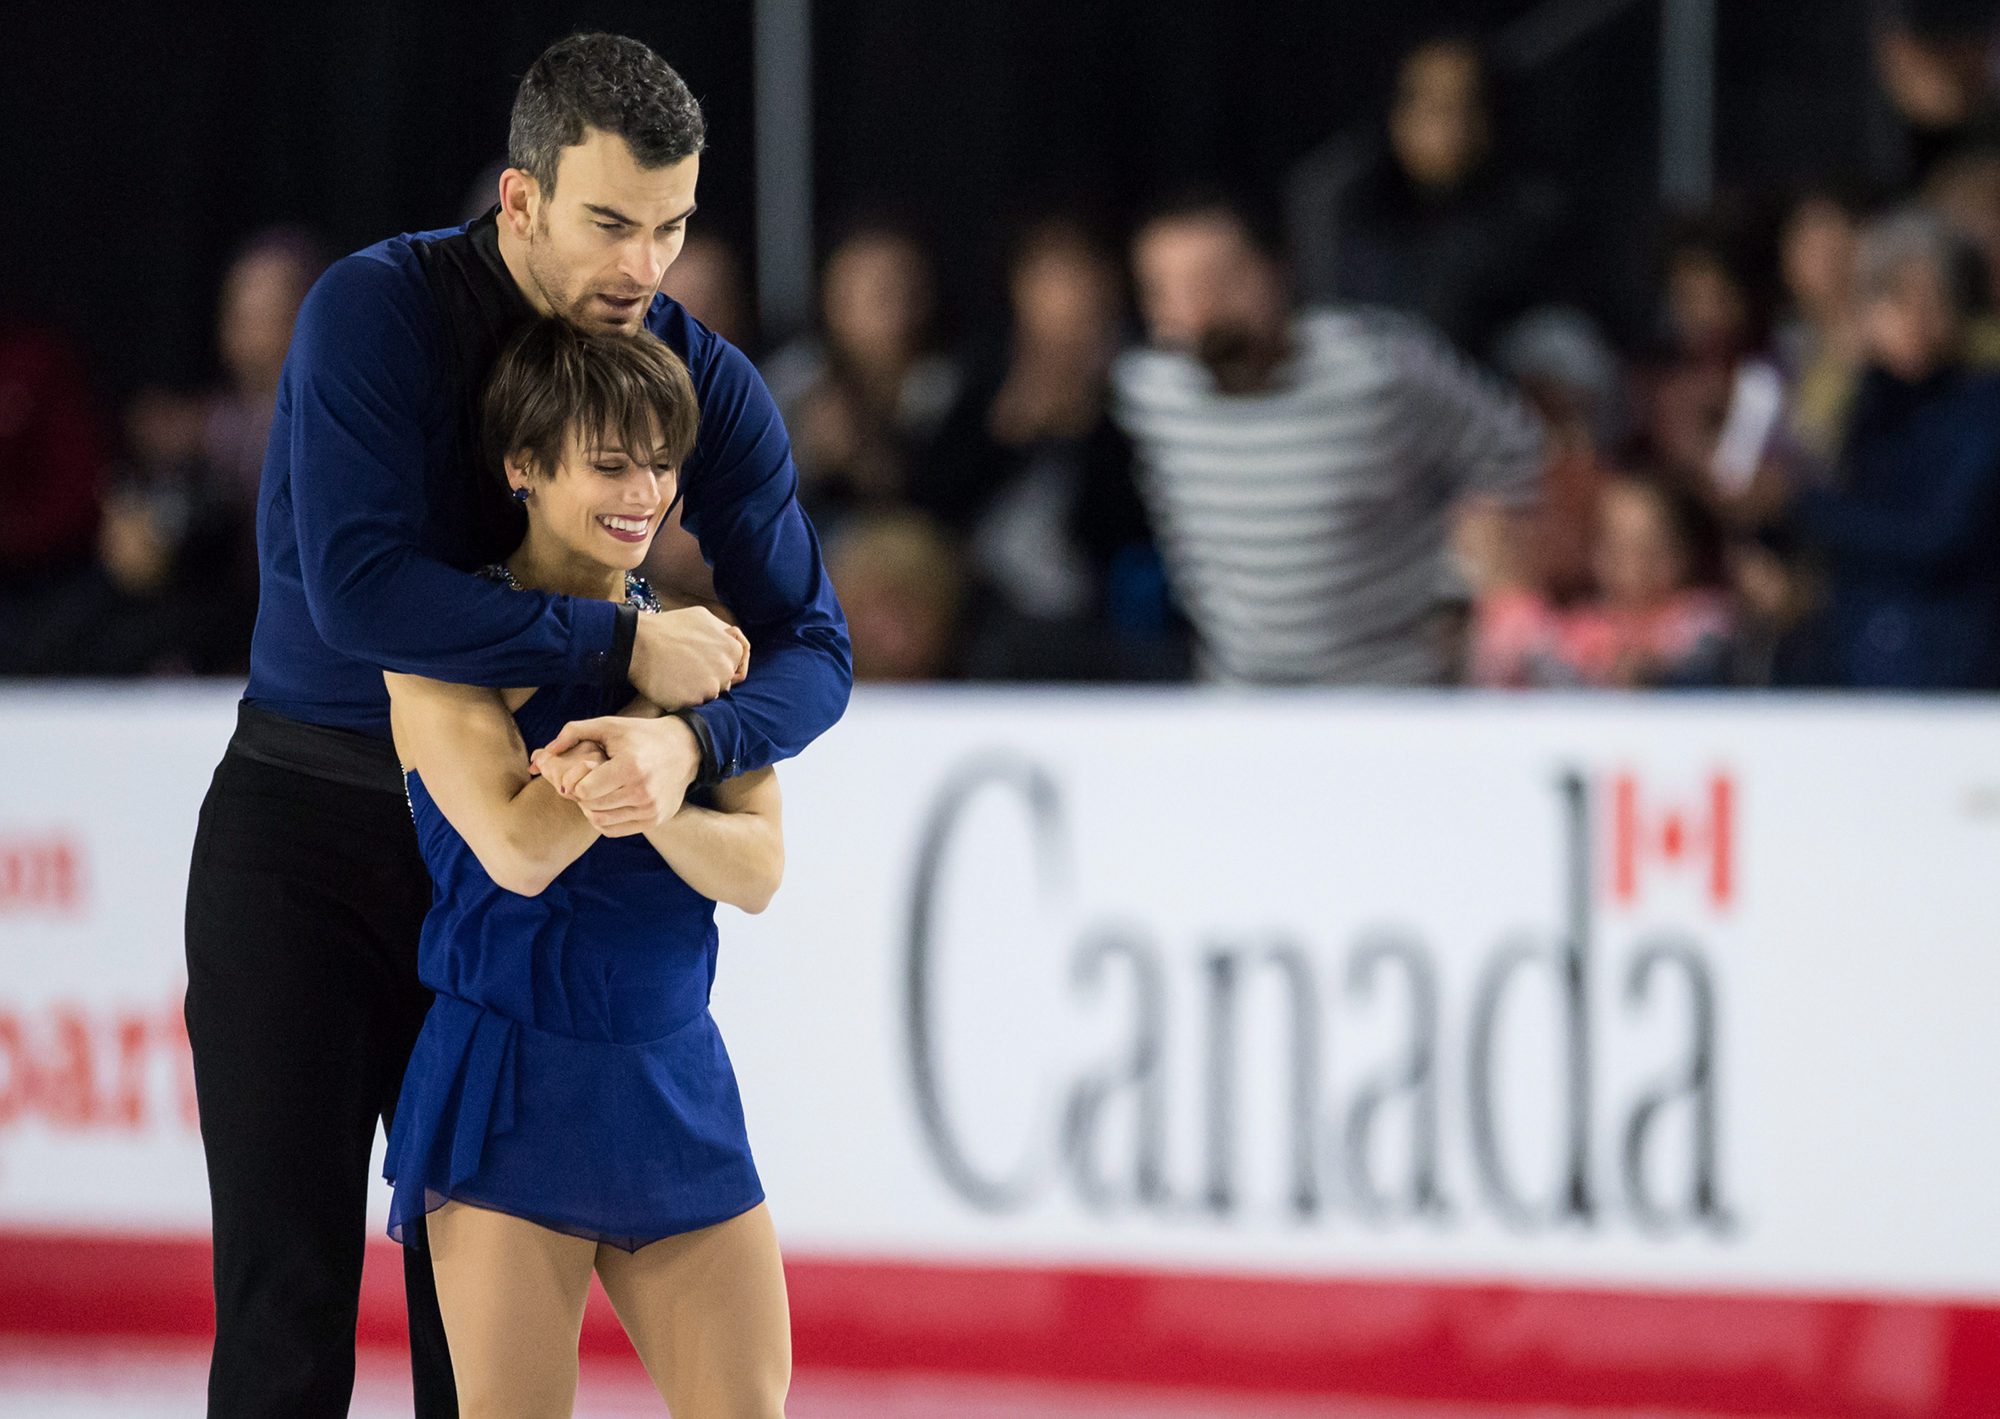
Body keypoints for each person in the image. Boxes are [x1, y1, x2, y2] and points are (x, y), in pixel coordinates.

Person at [182, 33, 850, 1419]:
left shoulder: (691, 379)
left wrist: (690, 744)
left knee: (464, 1338)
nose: (643, 267)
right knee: (285, 1309)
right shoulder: (377, 311)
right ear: (520, 198)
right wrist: (618, 639)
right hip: (307, 834)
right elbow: (357, 594)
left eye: (671, 227)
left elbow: (814, 647)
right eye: (611, 222)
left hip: (499, 864)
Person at [384, 317, 788, 1417]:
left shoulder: (702, 649)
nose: (644, 492)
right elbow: (516, 851)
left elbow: (755, 869)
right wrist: (647, 708)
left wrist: (656, 787)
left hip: (671, 1080)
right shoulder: (441, 653)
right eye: (610, 463)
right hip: (510, 1084)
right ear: (522, 466)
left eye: (661, 463)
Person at [1114, 190, 1544, 686]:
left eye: (1216, 281)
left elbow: (1513, 448)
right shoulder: (1149, 392)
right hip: (1240, 699)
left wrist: (1461, 590)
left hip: (1393, 692)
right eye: (1166, 290)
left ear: (1275, 270)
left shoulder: (1378, 367)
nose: (1196, 311)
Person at [1464, 471, 1735, 689]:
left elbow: (1708, 656)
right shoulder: (1578, 629)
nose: (1632, 564)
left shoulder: (1706, 621)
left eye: (1648, 548)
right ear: (1595, 552)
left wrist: (1652, 670)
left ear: (1680, 554)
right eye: (1615, 547)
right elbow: (1521, 653)